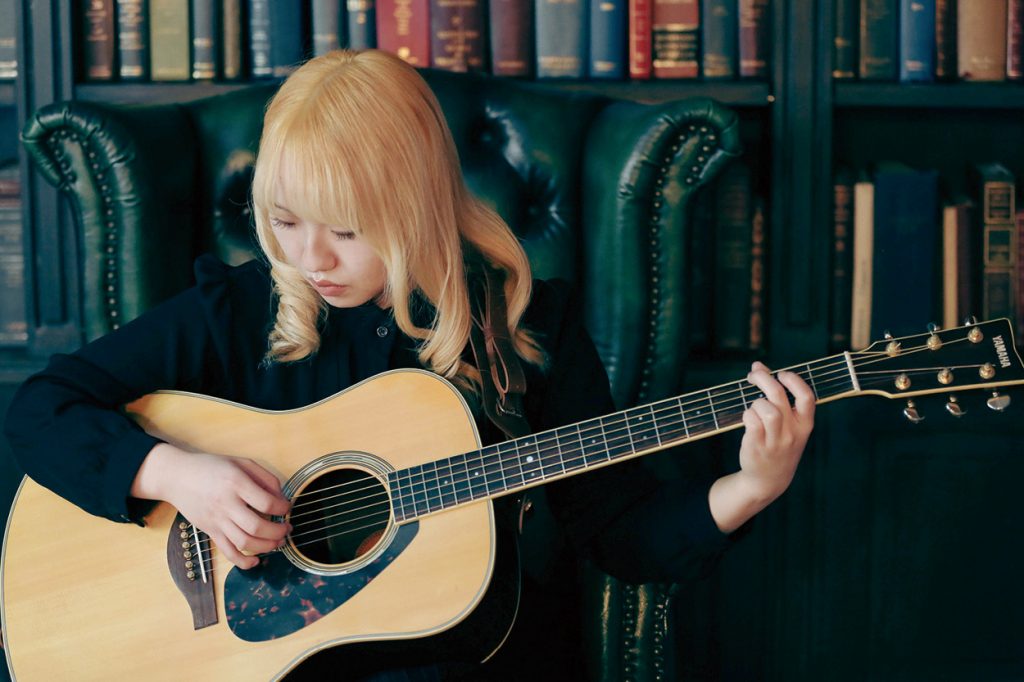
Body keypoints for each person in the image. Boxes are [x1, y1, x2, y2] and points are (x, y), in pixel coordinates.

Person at [3, 49, 814, 680]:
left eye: (345, 230)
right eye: (285, 221)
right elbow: (42, 408)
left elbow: (621, 534)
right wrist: (179, 476)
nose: (310, 258)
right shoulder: (240, 310)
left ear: (417, 204)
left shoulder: (528, 329)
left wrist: (752, 486)